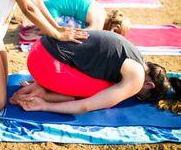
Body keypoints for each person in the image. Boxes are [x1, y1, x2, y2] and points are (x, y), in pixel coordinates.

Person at [10, 30, 180, 114]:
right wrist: (45, 106)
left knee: (105, 85)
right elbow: (86, 105)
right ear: (149, 85)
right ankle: (44, 93)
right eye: (139, 95)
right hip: (46, 64)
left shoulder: (134, 54)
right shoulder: (137, 78)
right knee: (107, 95)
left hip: (38, 50)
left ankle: (44, 87)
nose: (134, 94)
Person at [43, 0, 130, 33]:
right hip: (50, 11)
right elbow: (81, 35)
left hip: (49, 7)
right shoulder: (99, 23)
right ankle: (42, 29)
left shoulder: (102, 12)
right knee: (84, 35)